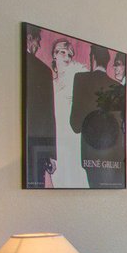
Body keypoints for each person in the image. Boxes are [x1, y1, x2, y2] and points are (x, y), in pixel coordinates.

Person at [70, 44, 125, 188]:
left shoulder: (81, 79)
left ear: (92, 57)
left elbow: (75, 124)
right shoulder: (117, 87)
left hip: (91, 155)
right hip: (116, 156)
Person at [49, 37, 87, 188]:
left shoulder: (76, 82)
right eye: (62, 52)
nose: (66, 56)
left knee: (76, 176)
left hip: (73, 139)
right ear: (55, 55)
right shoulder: (49, 84)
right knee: (58, 178)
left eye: (69, 54)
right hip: (57, 138)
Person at [23, 26, 56, 187]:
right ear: (29, 38)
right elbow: (48, 116)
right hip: (36, 147)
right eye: (38, 41)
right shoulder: (42, 70)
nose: (39, 46)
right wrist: (50, 154)